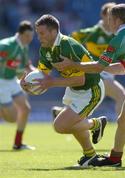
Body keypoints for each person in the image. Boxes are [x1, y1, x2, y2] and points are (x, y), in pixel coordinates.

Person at [21, 14, 107, 167]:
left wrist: (51, 82)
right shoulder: (45, 49)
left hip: (91, 90)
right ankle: (90, 156)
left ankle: (96, 124)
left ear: (53, 32)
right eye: (37, 33)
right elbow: (42, 76)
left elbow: (81, 79)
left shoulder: (69, 46)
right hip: (74, 90)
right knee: (70, 122)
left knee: (60, 126)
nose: (38, 37)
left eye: (42, 33)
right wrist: (28, 84)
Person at [53, 4, 125, 167]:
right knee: (123, 121)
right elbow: (121, 68)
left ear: (117, 20)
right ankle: (115, 159)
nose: (108, 23)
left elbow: (99, 66)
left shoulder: (118, 38)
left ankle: (114, 157)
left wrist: (74, 64)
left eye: (110, 19)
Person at [0, 20, 35, 150]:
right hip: (1, 83)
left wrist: (40, 74)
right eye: (27, 36)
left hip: (11, 81)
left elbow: (27, 65)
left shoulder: (24, 46)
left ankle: (18, 143)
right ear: (19, 34)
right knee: (12, 118)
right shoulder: (6, 45)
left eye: (31, 36)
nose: (30, 39)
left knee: (25, 109)